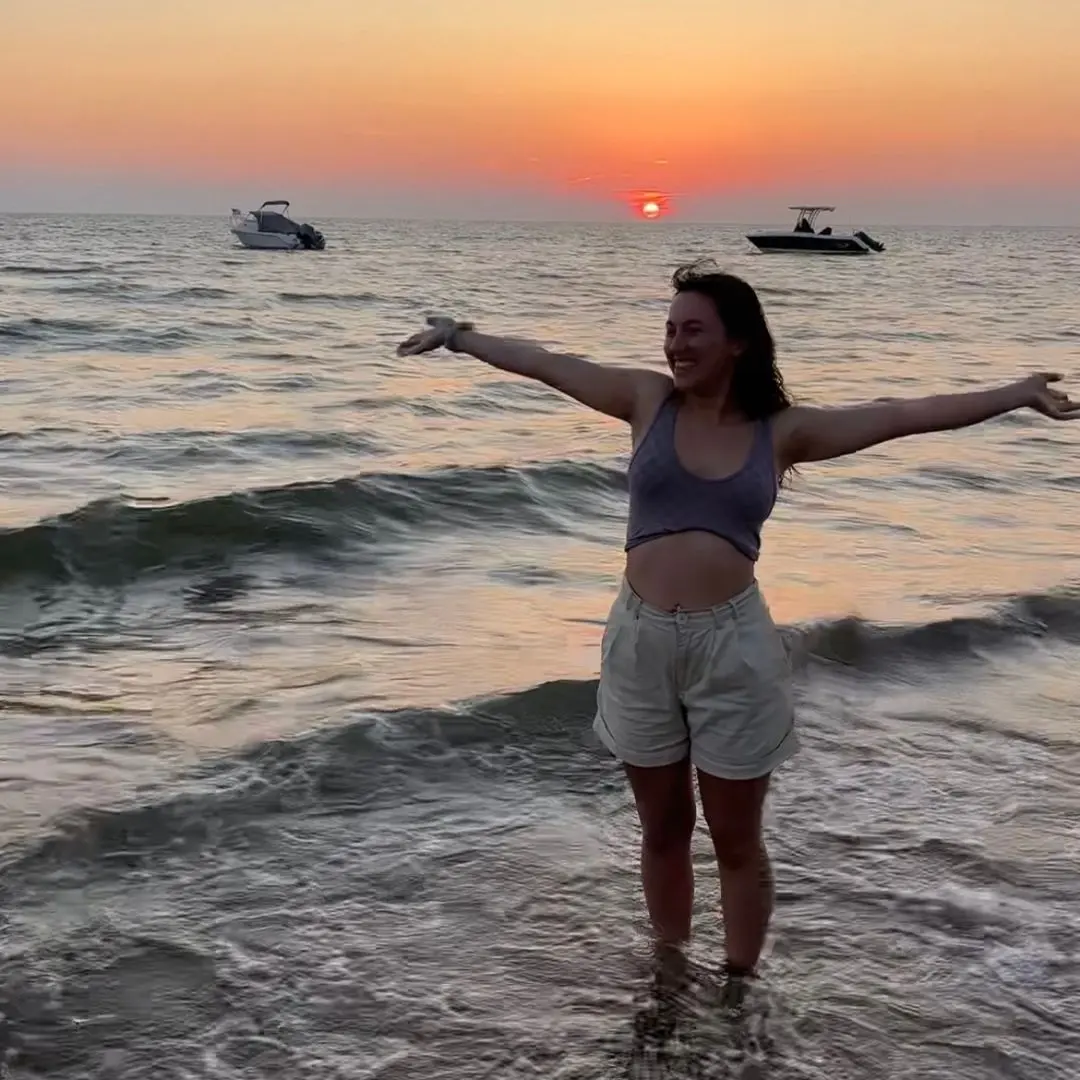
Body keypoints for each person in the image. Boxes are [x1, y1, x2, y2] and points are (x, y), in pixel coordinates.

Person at [396, 259, 1077, 995]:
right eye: (669, 330)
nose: (674, 345)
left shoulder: (781, 433)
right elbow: (555, 365)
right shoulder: (645, 400)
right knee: (662, 829)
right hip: (641, 641)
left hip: (734, 648)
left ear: (739, 343)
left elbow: (902, 413)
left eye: (693, 330)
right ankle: (669, 976)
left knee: (736, 840)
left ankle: (739, 989)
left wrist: (1015, 395)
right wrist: (461, 338)